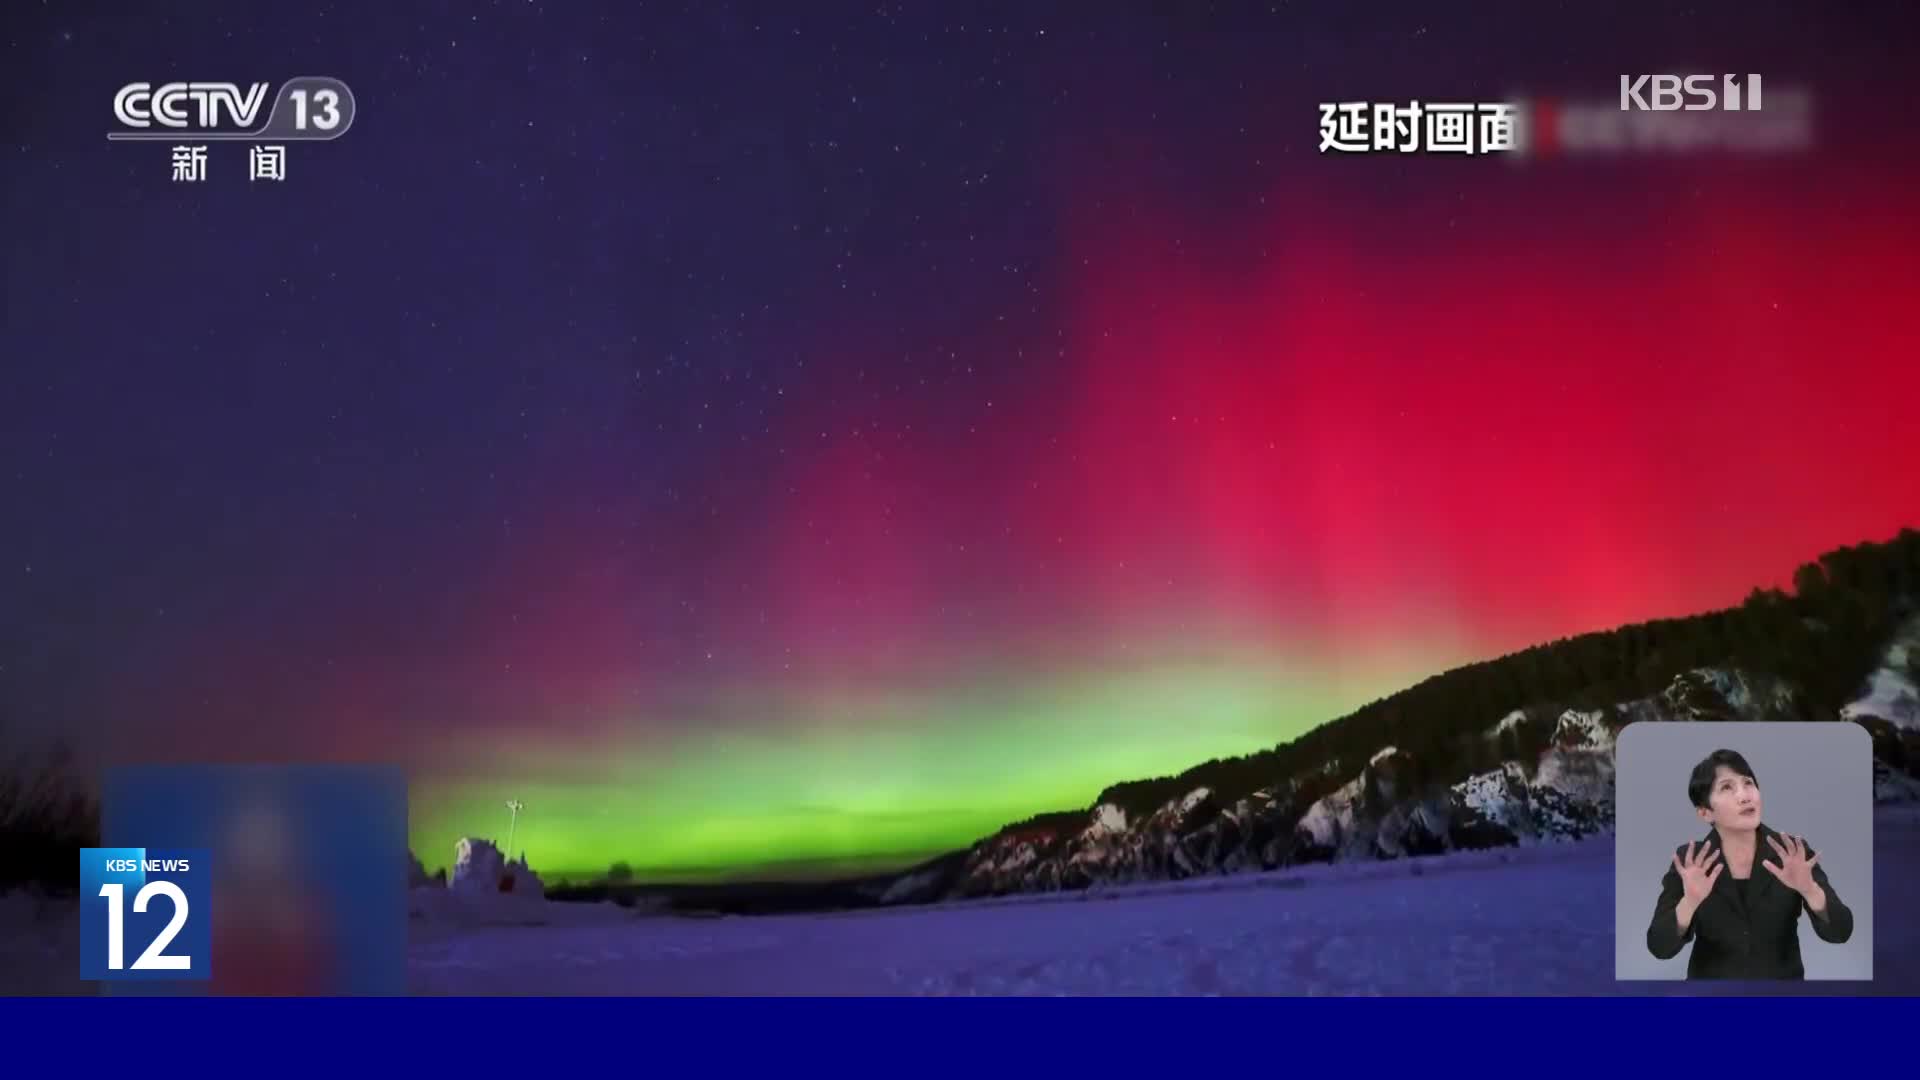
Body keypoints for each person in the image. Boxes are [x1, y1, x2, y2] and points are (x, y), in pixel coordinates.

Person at [1645, 748, 1853, 978]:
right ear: (1705, 813)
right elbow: (1659, 946)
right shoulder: (1691, 861)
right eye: (1727, 787)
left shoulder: (1792, 853)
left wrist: (1810, 890)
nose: (1745, 796)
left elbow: (1841, 932)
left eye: (1748, 783)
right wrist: (1690, 902)